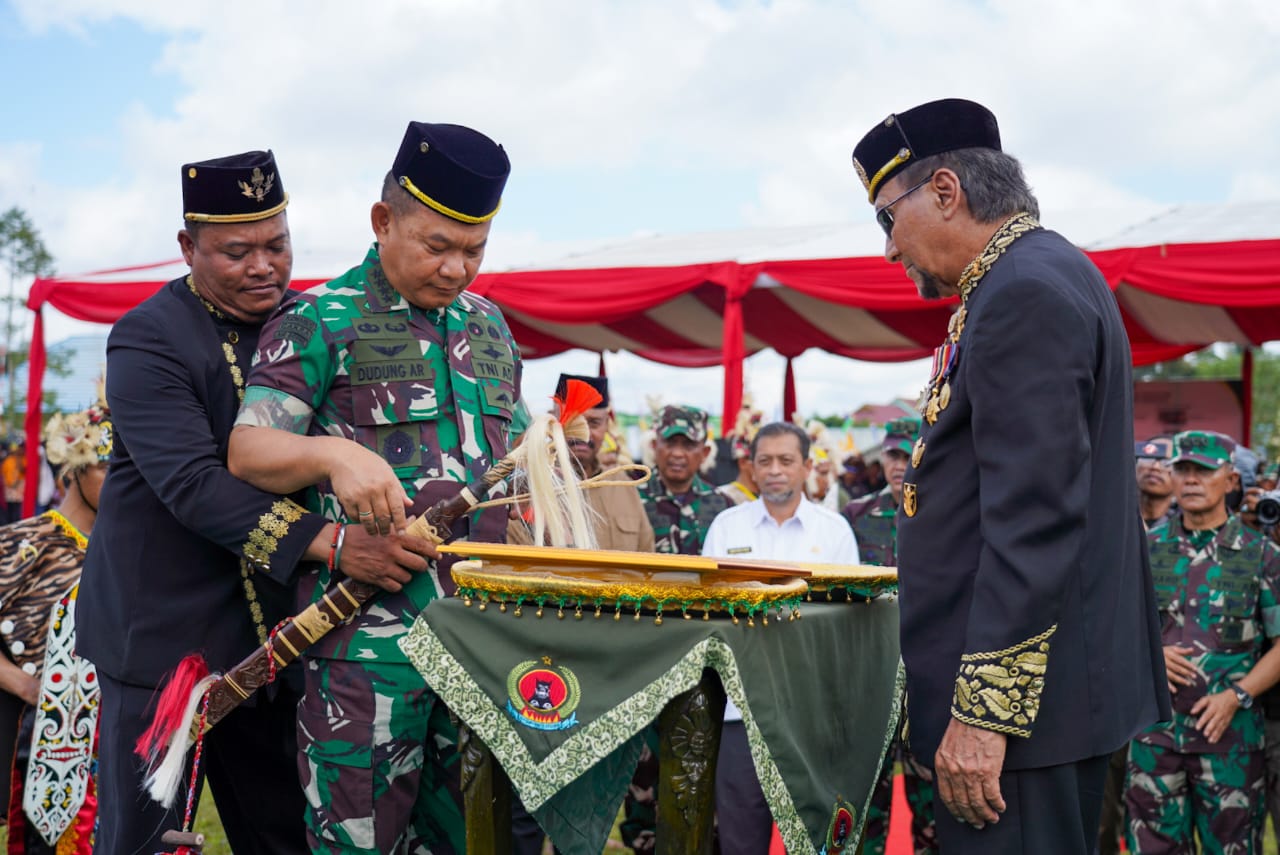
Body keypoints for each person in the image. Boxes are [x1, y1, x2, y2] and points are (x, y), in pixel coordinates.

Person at [77, 150, 421, 855]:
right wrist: (336, 544)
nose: (264, 265)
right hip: (162, 639)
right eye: (237, 252)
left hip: (279, 636)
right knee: (147, 842)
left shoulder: (308, 321)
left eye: (277, 243)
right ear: (188, 248)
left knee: (285, 834)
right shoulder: (148, 337)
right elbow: (192, 484)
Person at [851, 98, 1169, 853]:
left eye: (886, 218)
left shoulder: (1023, 291)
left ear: (945, 191)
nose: (890, 249)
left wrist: (984, 714)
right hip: (1046, 705)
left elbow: (1033, 520)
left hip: (1023, 720)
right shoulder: (1036, 272)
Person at [228, 121, 522, 854]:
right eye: (438, 246)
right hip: (365, 648)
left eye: (475, 250)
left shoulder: (490, 326)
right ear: (383, 222)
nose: (458, 268)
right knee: (358, 839)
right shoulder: (321, 318)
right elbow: (248, 448)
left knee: (475, 836)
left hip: (482, 637)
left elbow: (510, 454)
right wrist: (331, 453)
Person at [702, 421, 860, 854]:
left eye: (786, 460)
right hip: (740, 713)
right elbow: (706, 614)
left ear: (807, 466)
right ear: (751, 467)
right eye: (765, 460)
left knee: (813, 841)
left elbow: (847, 627)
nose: (775, 470)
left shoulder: (834, 532)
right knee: (739, 840)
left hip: (812, 717)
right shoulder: (726, 528)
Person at [1124, 430, 1280, 853]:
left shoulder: (1261, 554)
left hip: (1229, 744)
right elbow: (1112, 630)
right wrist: (1149, 653)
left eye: (1203, 471)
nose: (1191, 479)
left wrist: (1238, 695)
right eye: (1183, 470)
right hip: (1154, 738)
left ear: (1230, 480)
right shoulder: (1143, 548)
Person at [0, 398, 110, 853]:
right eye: (105, 466)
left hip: (116, 744)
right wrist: (26, 685)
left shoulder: (132, 554)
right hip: (39, 746)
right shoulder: (23, 543)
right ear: (73, 469)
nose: (121, 480)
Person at [842, 415, 938, 854]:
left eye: (909, 453)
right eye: (894, 455)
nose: (901, 465)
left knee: (935, 811)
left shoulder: (949, 512)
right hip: (872, 677)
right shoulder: (855, 516)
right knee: (865, 806)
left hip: (930, 678)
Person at [549, 373, 654, 552]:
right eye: (573, 420)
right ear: (551, 421)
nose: (584, 433)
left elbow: (647, 556)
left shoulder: (622, 484)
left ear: (607, 425)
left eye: (594, 423)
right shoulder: (531, 485)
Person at [640, 405, 730, 555]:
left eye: (688, 445)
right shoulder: (632, 499)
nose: (677, 453)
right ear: (654, 446)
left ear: (704, 453)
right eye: (670, 443)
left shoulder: (722, 505)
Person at [1136, 437, 1177, 530]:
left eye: (1166, 462)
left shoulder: (1188, 522)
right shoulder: (1118, 513)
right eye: (1148, 458)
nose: (1155, 467)